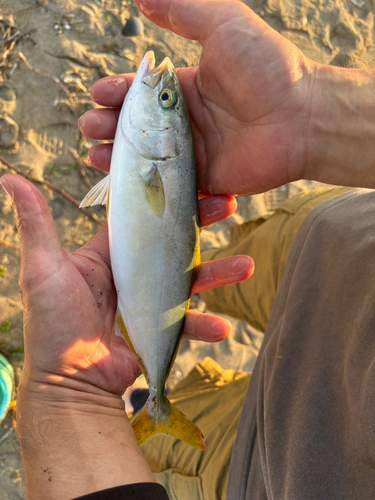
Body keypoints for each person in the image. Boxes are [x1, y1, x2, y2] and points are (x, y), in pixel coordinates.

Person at [2, 0, 375, 498]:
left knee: (201, 411)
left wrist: (66, 389)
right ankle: (159, 379)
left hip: (286, 454)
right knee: (239, 264)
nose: (162, 92)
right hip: (338, 235)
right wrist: (307, 109)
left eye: (166, 104)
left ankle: (153, 403)